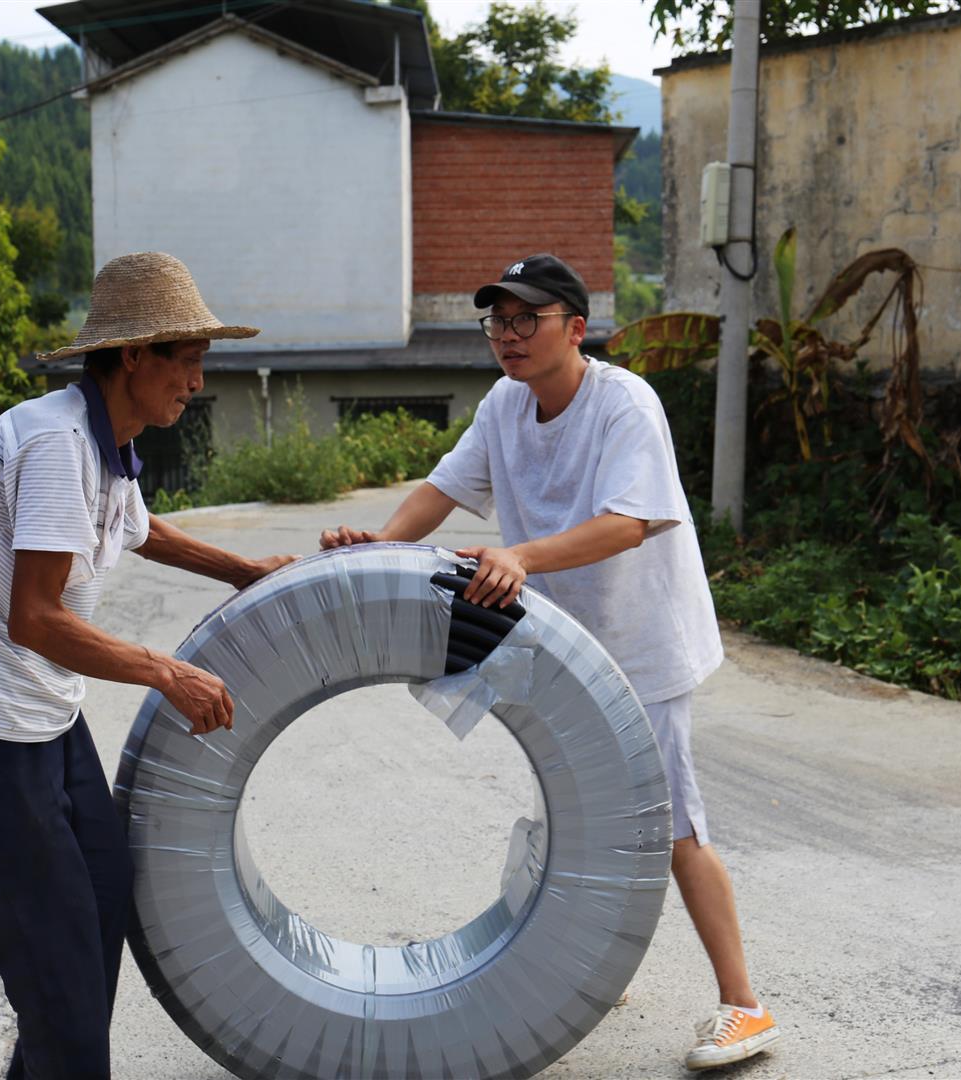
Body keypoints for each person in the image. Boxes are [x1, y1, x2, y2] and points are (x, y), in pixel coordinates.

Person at [319, 253, 780, 1071]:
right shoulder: (505, 403)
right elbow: (445, 487)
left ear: (576, 326)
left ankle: (745, 1006)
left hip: (642, 642)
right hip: (565, 645)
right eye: (497, 320)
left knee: (671, 824)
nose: (508, 335)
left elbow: (631, 522)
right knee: (575, 808)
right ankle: (598, 966)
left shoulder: (624, 404)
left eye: (526, 318)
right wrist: (376, 544)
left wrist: (523, 554)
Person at [0, 252, 293, 1079]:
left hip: (45, 728)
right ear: (135, 356)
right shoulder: (53, 444)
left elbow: (145, 530)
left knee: (104, 905)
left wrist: (247, 572)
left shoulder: (106, 443)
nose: (196, 380)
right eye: (186, 360)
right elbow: (34, 617)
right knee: (64, 991)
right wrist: (164, 671)